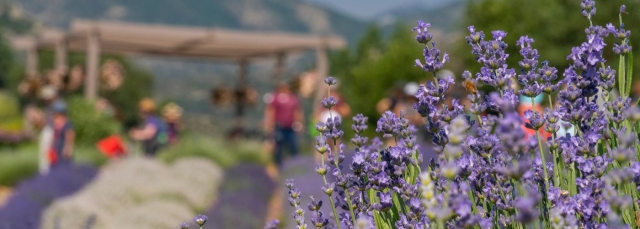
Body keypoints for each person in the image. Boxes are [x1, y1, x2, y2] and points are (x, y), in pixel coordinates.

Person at [264, 82, 303, 168]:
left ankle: (294, 165)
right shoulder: (275, 97)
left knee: (293, 146)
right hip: (279, 126)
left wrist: (299, 123)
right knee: (278, 147)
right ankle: (278, 165)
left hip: (290, 126)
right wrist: (269, 122)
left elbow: (297, 111)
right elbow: (271, 110)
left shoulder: (293, 98)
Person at [38, 85, 66, 174]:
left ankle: (49, 171)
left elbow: (59, 120)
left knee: (51, 151)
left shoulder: (58, 105)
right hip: (49, 129)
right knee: (46, 151)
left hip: (52, 130)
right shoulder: (50, 106)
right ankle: (46, 171)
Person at [48, 101, 75, 167]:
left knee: (64, 166)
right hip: (56, 149)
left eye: (55, 113)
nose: (53, 115)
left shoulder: (67, 124)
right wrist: (51, 146)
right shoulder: (55, 123)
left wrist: (68, 148)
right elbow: (54, 136)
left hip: (63, 149)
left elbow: (70, 136)